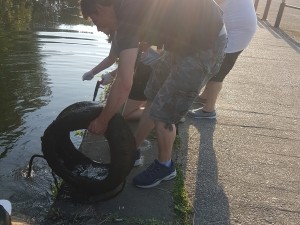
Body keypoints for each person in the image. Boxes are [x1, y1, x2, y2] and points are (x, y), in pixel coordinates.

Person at [80, 0, 227, 188]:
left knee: (163, 112)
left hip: (206, 45)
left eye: (95, 21)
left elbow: (124, 83)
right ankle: (132, 149)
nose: (99, 29)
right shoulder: (123, 10)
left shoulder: (126, 17)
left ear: (100, 8)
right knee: (152, 94)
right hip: (181, 42)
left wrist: (102, 121)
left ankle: (165, 166)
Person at [188, 0, 257, 119]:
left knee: (218, 72)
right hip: (239, 26)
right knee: (215, 64)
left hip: (237, 31)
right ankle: (204, 97)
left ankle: (209, 110)